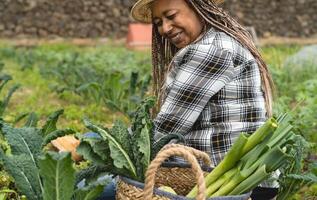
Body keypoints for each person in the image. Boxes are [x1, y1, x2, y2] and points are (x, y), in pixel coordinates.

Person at [130, 0, 277, 199]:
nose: (164, 28)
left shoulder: (210, 50)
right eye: (158, 22)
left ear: (198, 8)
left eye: (171, 16)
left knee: (99, 187)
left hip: (233, 187)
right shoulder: (214, 42)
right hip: (226, 180)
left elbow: (165, 130)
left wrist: (109, 148)